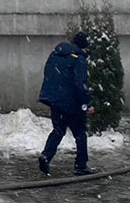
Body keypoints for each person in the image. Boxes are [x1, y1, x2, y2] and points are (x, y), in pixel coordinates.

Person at [37, 31, 97, 176]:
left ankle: (46, 156)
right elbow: (79, 84)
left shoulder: (55, 55)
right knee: (80, 134)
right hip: (71, 103)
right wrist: (86, 103)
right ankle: (80, 166)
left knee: (58, 130)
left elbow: (49, 75)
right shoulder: (78, 59)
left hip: (55, 102)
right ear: (84, 46)